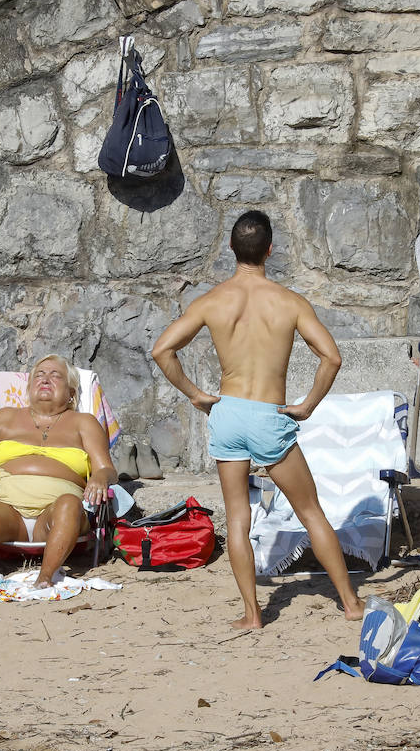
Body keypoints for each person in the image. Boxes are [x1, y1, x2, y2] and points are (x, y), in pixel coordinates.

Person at [151, 210, 366, 630]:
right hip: (269, 414)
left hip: (228, 412)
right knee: (311, 512)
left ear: (231, 249)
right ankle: (351, 603)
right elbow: (332, 357)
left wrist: (196, 394)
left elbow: (162, 350)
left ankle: (252, 614)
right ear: (270, 250)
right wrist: (307, 406)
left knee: (237, 519)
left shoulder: (212, 301)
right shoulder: (288, 302)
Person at [0, 355, 117, 594]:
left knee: (69, 505)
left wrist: (100, 478)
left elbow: (106, 469)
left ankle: (46, 577)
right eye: (39, 374)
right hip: (7, 512)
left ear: (71, 392)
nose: (46, 379)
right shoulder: (4, 418)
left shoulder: (84, 423)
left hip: (55, 514)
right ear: (29, 388)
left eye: (55, 375)